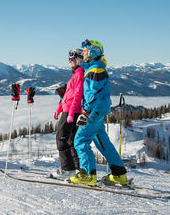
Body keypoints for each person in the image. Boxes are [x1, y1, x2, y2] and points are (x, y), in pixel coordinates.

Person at [69, 39, 127, 186]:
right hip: (98, 111)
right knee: (103, 142)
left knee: (80, 141)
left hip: (93, 112)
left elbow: (94, 93)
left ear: (93, 51)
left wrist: (86, 112)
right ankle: (119, 174)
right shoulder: (94, 68)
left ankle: (88, 175)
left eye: (86, 51)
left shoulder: (96, 69)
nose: (83, 53)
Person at [51, 49, 85, 178]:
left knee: (61, 139)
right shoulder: (76, 74)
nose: (69, 62)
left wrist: (70, 113)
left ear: (78, 60)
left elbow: (77, 95)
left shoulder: (79, 74)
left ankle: (67, 169)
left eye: (71, 59)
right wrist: (59, 110)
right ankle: (76, 169)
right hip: (68, 110)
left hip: (72, 111)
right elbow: (67, 96)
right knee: (71, 140)